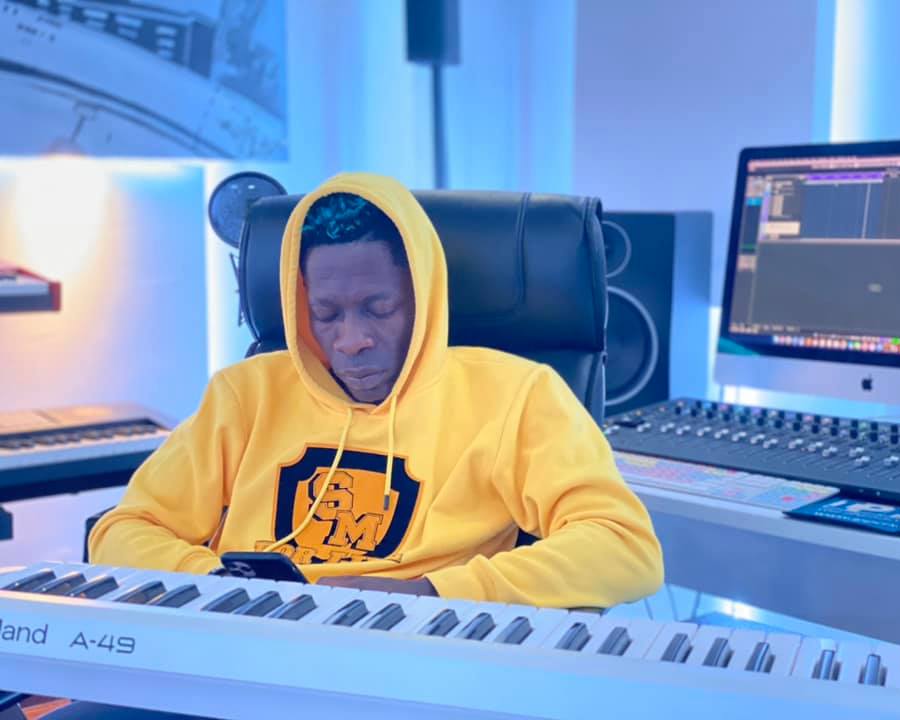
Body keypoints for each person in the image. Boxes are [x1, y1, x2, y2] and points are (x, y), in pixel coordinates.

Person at [89, 172, 664, 608]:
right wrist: (223, 585)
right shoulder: (246, 394)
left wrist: (431, 592)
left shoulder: (516, 394)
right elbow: (123, 530)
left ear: (423, 296)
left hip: (412, 655)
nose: (351, 341)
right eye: (325, 314)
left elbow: (624, 546)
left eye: (378, 308)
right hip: (246, 648)